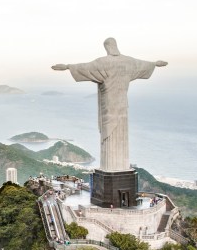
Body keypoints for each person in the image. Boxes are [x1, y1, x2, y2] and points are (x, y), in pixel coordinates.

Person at [52, 38, 167, 172]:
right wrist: (155, 64)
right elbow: (143, 64)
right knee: (120, 132)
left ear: (107, 47)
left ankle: (112, 167)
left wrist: (67, 66)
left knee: (109, 134)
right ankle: (119, 166)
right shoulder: (129, 61)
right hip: (122, 105)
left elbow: (85, 68)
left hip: (109, 105)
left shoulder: (103, 62)